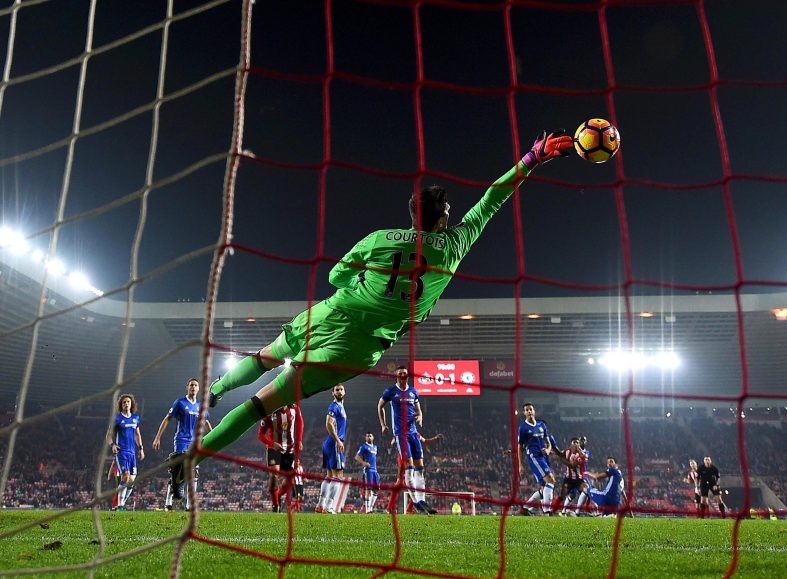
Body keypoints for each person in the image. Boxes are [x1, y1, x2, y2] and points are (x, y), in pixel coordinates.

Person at [198, 131, 573, 462]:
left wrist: (365, 282)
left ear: (412, 216)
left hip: (332, 313)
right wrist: (532, 158)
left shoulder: (379, 238)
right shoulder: (454, 245)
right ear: (442, 218)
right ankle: (189, 462)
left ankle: (216, 389)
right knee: (259, 406)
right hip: (359, 346)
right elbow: (493, 199)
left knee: (266, 356)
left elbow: (335, 275)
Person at [379, 365, 437, 514]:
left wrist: (420, 417)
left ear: (408, 376)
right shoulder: (391, 391)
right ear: (396, 376)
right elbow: (380, 406)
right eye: (400, 374)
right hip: (401, 434)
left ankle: (422, 501)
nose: (403, 376)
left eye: (405, 373)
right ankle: (416, 503)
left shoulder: (413, 392)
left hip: (413, 433)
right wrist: (383, 425)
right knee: (409, 467)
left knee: (420, 468)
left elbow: (419, 410)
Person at [152, 378, 213, 511]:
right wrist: (158, 437)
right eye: (191, 385)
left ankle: (189, 505)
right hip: (181, 441)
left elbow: (206, 422)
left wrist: (214, 437)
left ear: (198, 389)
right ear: (187, 387)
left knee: (194, 472)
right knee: (178, 472)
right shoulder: (179, 402)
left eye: (195, 385)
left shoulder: (200, 406)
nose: (193, 387)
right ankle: (168, 502)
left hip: (195, 442)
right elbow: (167, 418)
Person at [258, 403, 303, 512]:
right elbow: (260, 434)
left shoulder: (294, 408)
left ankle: (277, 496)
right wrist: (272, 443)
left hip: (290, 449)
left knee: (290, 478)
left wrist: (299, 440)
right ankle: (275, 506)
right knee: (274, 476)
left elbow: (300, 423)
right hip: (274, 449)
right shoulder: (269, 413)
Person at [516, 402, 556, 515]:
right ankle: (547, 512)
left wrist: (548, 450)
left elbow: (548, 443)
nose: (529, 411)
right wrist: (521, 465)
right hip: (534, 457)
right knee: (551, 480)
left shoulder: (541, 426)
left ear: (534, 411)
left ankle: (525, 508)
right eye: (527, 410)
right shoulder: (523, 428)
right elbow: (520, 447)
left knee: (544, 486)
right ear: (524, 413)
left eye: (531, 409)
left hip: (543, 457)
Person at [108, 394, 144, 511]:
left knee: (131, 482)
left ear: (131, 404)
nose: (126, 404)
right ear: (121, 405)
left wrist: (141, 449)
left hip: (132, 453)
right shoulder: (117, 419)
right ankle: (120, 506)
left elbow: (137, 435)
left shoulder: (135, 418)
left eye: (128, 402)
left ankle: (120, 504)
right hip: (121, 452)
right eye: (124, 402)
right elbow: (109, 435)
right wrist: (112, 445)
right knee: (125, 477)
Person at [318, 384, 347, 514]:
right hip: (334, 443)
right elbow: (328, 423)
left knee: (329, 476)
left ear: (344, 392)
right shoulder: (334, 406)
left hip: (328, 444)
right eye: (337, 390)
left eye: (341, 389)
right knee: (338, 475)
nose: (339, 392)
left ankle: (320, 505)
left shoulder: (341, 406)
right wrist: (338, 440)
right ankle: (329, 507)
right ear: (333, 393)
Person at [556, 437, 589, 516]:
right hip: (569, 479)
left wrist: (562, 460)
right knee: (564, 495)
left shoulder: (584, 453)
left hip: (580, 478)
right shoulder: (567, 451)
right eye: (575, 442)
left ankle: (581, 511)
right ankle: (553, 510)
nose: (577, 443)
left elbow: (573, 465)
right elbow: (559, 454)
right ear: (571, 444)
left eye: (578, 442)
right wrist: (552, 448)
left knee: (587, 491)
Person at [355, 431, 379, 513]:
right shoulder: (364, 447)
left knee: (376, 490)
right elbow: (357, 457)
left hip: (375, 470)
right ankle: (368, 510)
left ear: (373, 437)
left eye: (370, 436)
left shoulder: (375, 447)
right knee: (368, 489)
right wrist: (364, 463)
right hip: (368, 471)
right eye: (367, 436)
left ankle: (371, 507)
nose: (369, 437)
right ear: (365, 438)